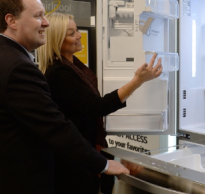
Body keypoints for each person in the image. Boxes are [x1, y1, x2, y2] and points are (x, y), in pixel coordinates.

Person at [0, 0, 130, 194]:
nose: (45, 23)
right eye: (37, 16)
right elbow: (54, 126)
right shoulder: (17, 67)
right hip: (18, 182)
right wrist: (104, 164)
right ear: (11, 20)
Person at [37, 12, 162, 194]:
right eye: (71, 34)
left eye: (77, 30)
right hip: (73, 161)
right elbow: (98, 106)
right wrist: (137, 81)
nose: (79, 36)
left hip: (83, 152)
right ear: (56, 40)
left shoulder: (75, 66)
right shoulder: (58, 73)